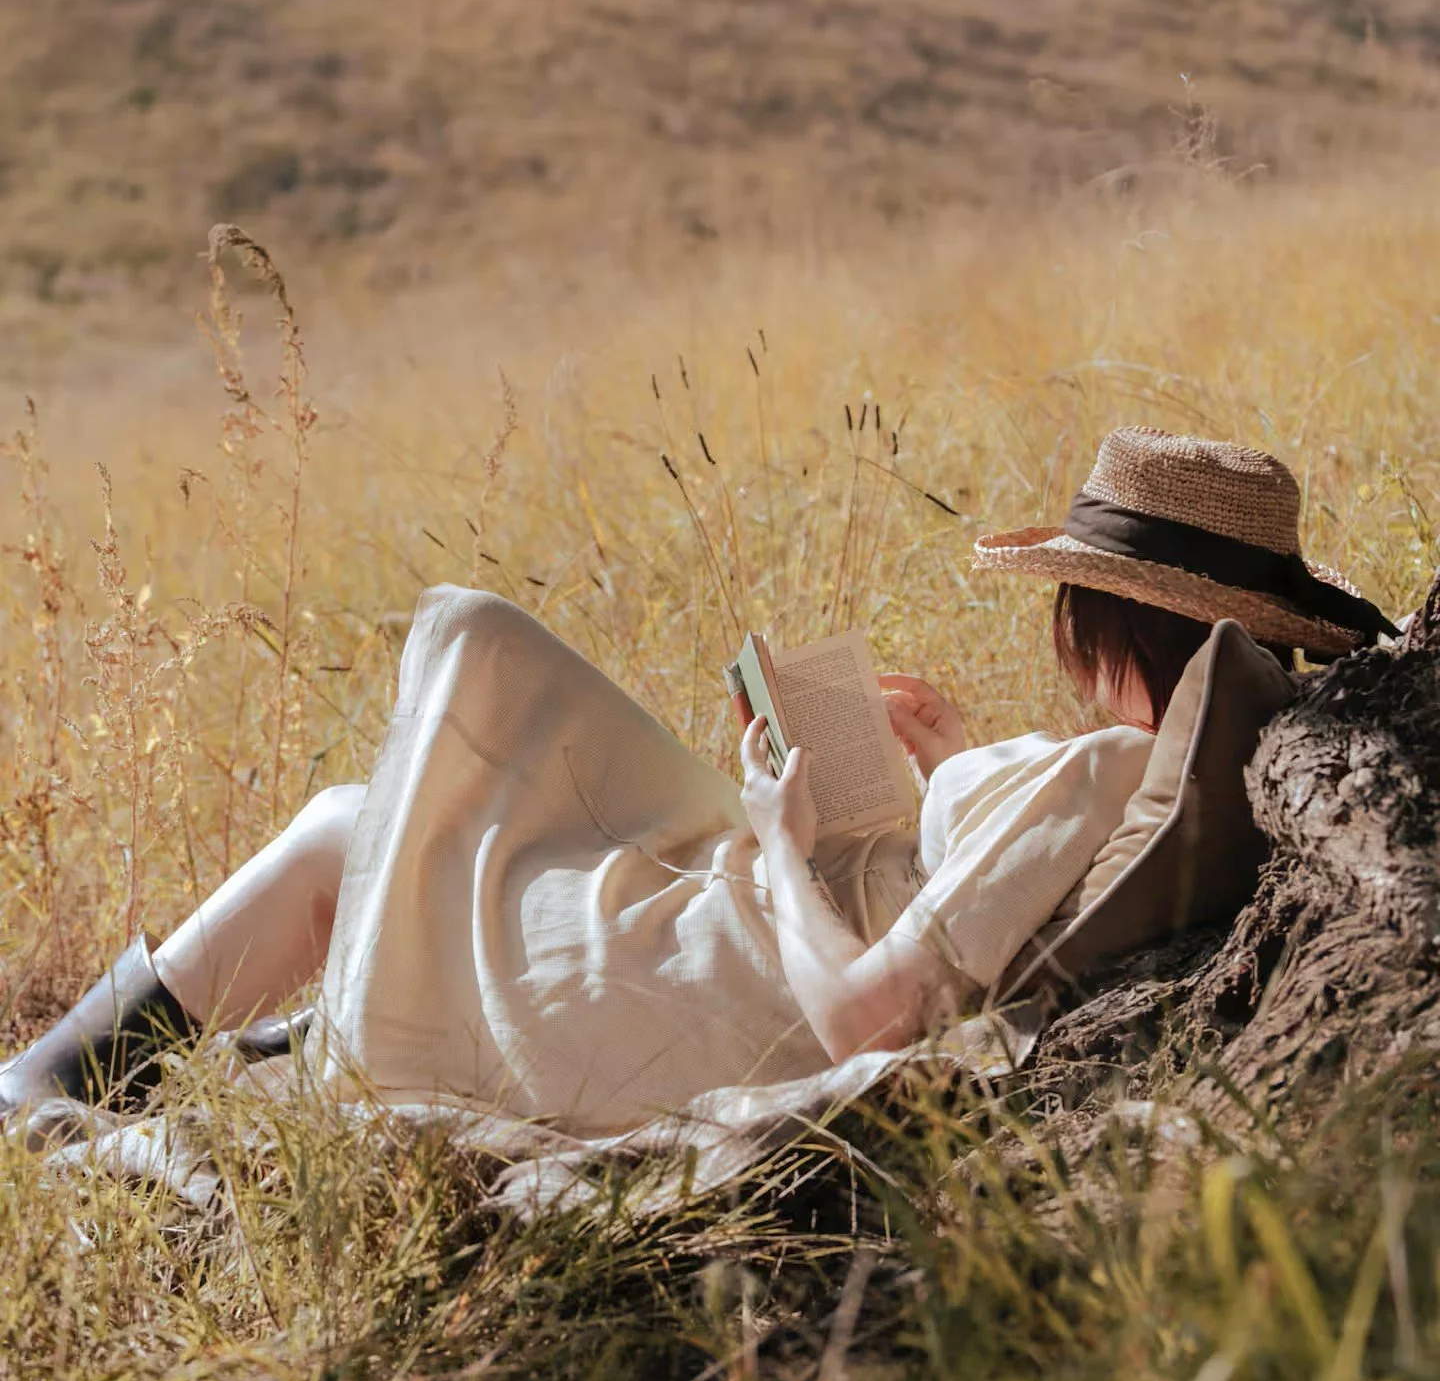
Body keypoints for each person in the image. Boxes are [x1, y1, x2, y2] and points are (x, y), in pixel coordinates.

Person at [0, 427, 1396, 1133]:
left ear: (1096, 622)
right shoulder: (1129, 779)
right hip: (728, 945)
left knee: (361, 813)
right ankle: (131, 1069)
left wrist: (788, 839)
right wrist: (950, 755)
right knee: (393, 820)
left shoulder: (1098, 774)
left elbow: (863, 1017)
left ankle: (40, 1097)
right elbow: (994, 886)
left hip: (714, 988)